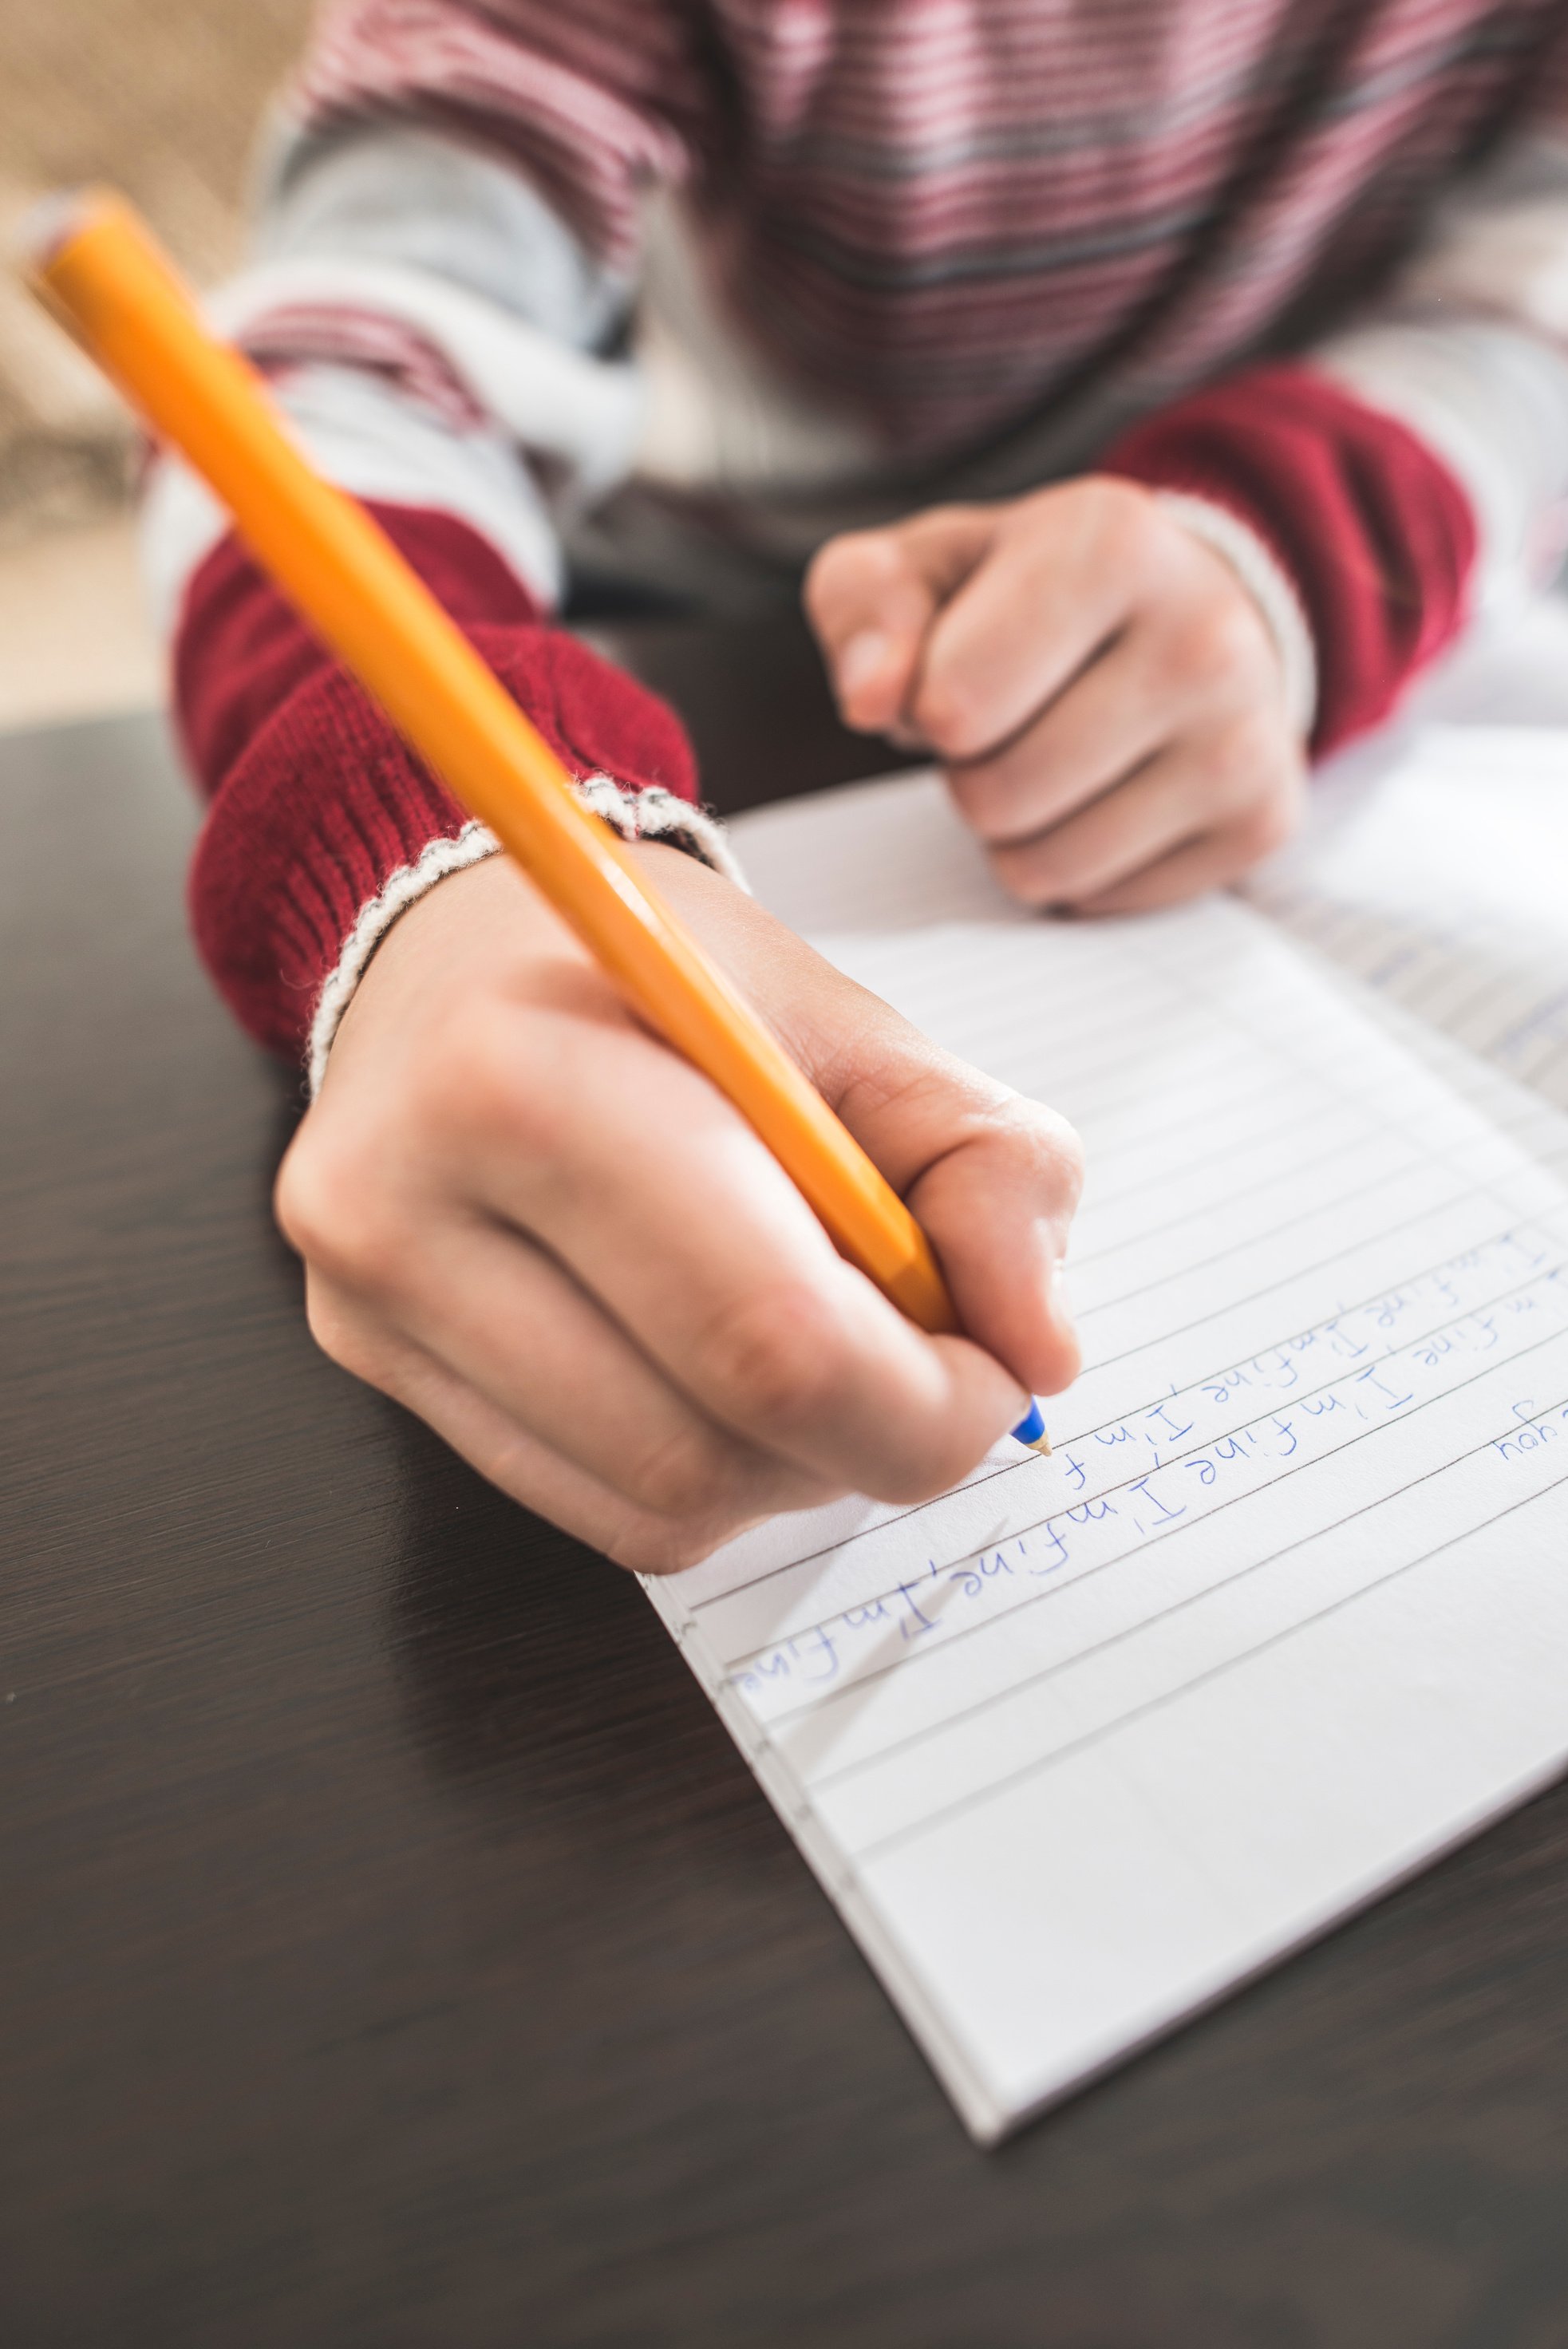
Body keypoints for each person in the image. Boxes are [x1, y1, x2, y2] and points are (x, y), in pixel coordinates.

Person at [146, 0, 1568, 1569]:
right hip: (642, 633)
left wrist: (1291, 546)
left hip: (1297, 613)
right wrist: (433, 843)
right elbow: (338, 374)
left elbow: (1532, 288)